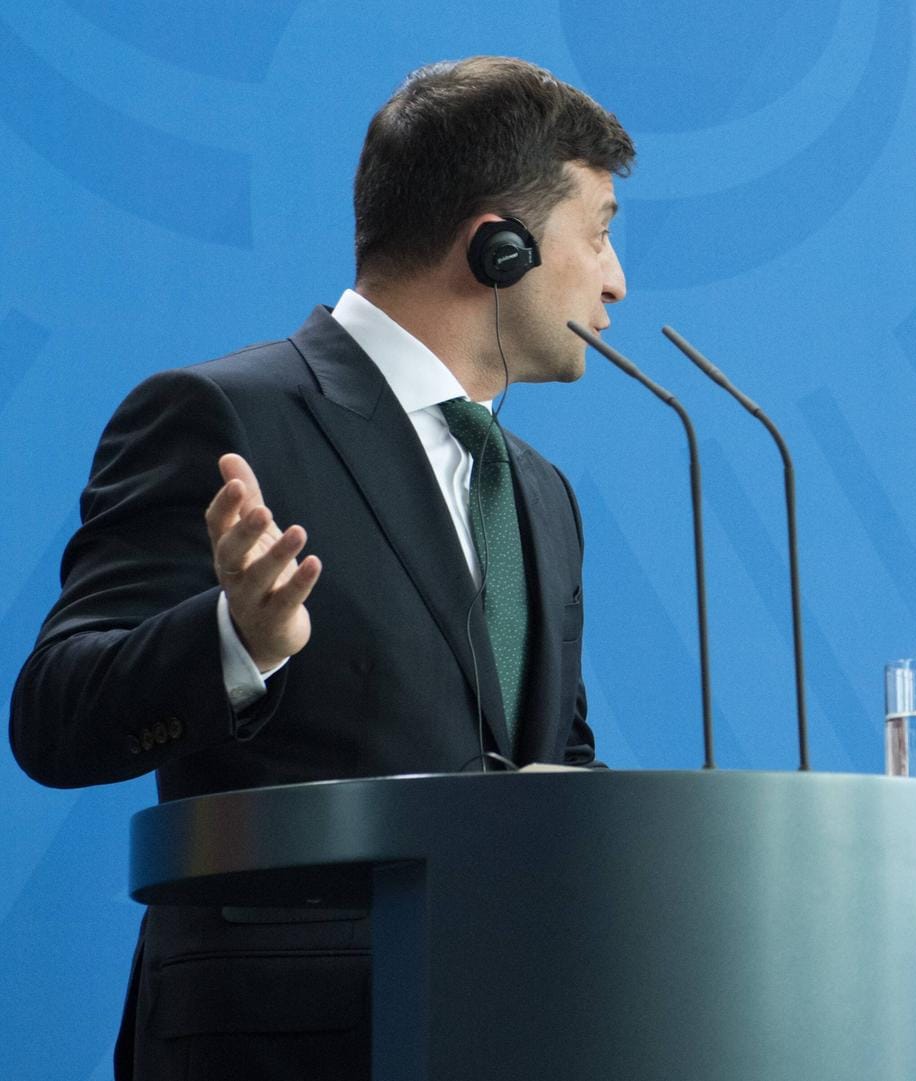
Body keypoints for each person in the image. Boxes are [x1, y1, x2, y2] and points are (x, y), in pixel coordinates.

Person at [8, 56, 631, 1079]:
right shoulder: (222, 419)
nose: (615, 279)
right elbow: (54, 716)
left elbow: (546, 758)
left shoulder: (541, 493)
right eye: (599, 232)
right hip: (277, 1041)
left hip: (510, 1026)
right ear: (499, 248)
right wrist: (234, 641)